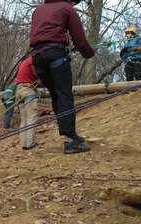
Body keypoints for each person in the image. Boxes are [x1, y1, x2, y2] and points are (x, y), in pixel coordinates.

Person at [29, 0, 94, 154]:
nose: (73, 3)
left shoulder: (38, 10)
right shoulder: (67, 8)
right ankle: (70, 141)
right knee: (65, 95)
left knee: (56, 96)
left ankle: (70, 134)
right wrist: (89, 53)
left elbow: (42, 34)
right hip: (56, 56)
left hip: (37, 58)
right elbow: (80, 40)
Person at [16, 56, 41, 150]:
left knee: (24, 120)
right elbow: (38, 74)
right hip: (28, 90)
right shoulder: (33, 60)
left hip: (19, 91)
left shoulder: (25, 62)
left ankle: (24, 144)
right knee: (31, 118)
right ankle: (30, 143)